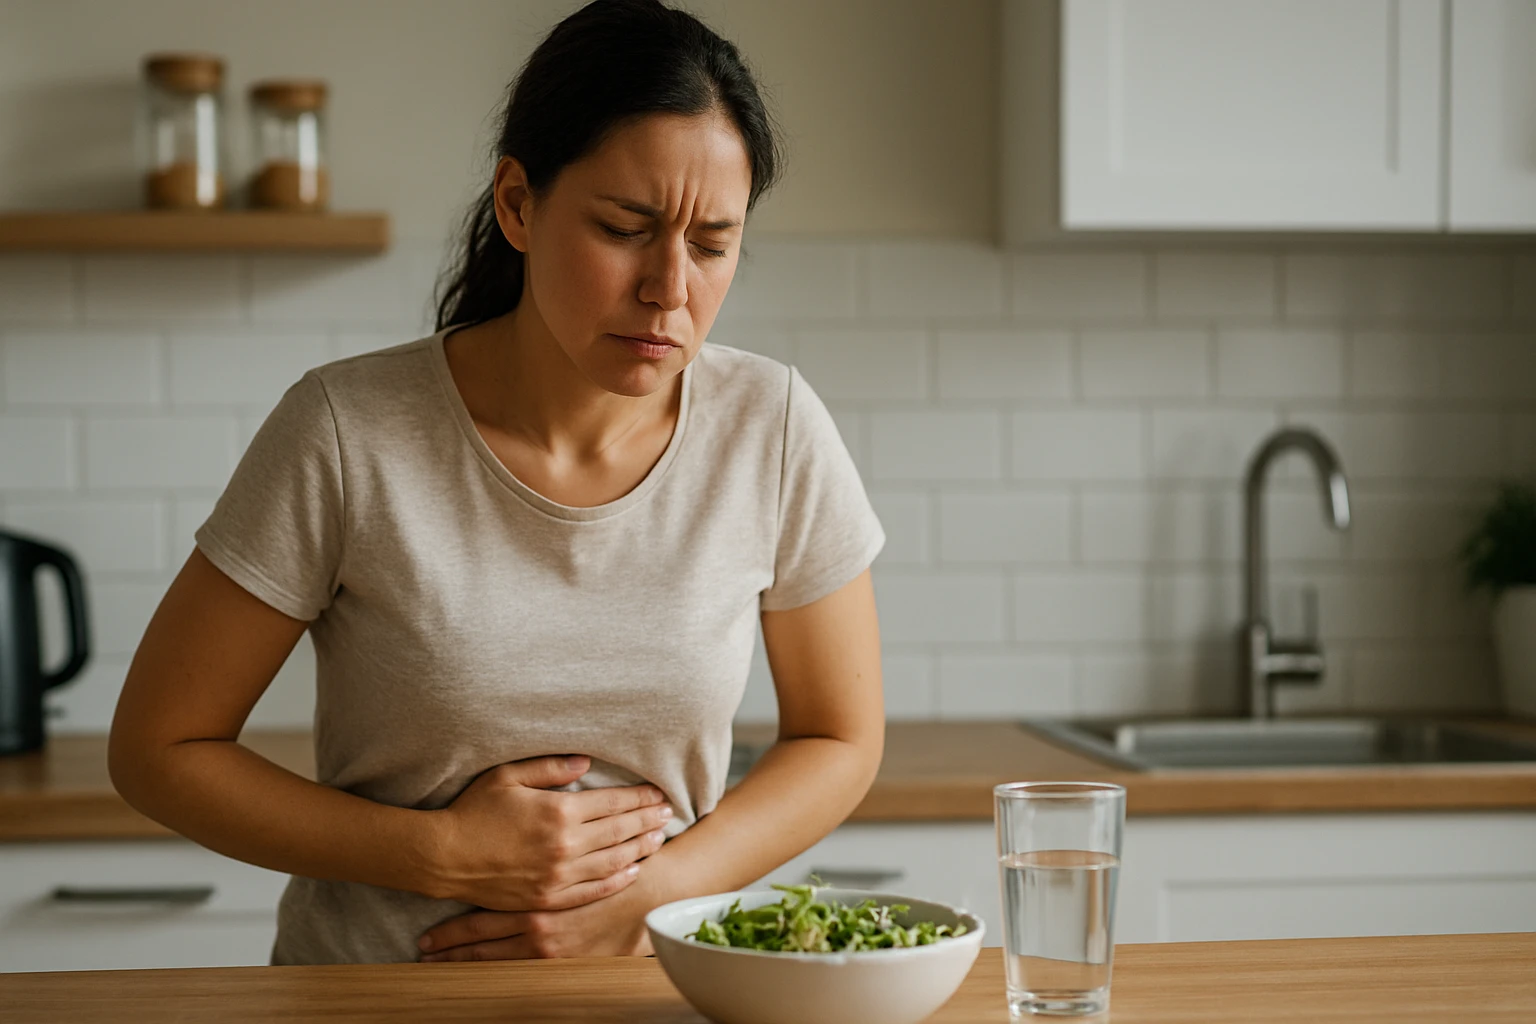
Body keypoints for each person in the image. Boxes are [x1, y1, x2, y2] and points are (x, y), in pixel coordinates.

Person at [108, 0, 885, 966]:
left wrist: (656, 894)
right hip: (372, 999)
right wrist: (441, 853)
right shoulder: (346, 432)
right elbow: (159, 750)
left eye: (712, 244)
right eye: (624, 228)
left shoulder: (772, 426)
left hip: (650, 999)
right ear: (518, 204)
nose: (670, 288)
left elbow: (840, 740)